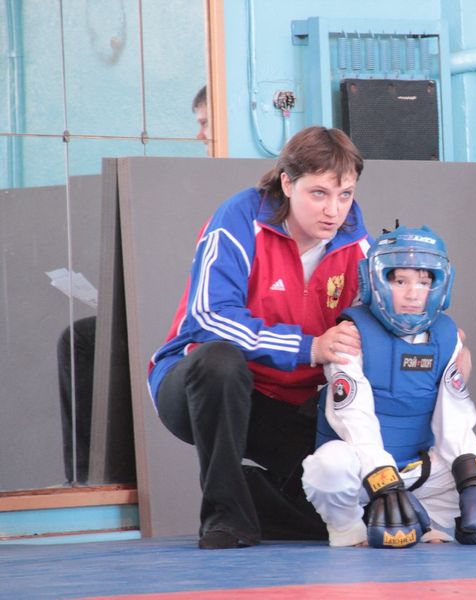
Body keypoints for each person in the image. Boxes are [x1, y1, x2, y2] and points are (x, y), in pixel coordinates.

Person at [149, 125, 375, 549]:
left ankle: (252, 496)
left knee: (352, 509)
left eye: (345, 195)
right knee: (220, 360)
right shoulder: (239, 217)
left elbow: (383, 325)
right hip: (203, 386)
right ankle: (227, 519)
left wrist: (444, 343)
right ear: (287, 183)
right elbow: (208, 317)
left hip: (290, 404)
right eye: (319, 194)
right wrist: (308, 347)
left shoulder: (357, 244)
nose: (334, 210)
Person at [301, 225, 476, 548]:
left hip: (418, 471)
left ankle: (428, 520)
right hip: (363, 475)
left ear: (440, 286)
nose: (413, 294)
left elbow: (454, 417)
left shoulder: (445, 336)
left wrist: (471, 480)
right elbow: (355, 418)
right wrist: (383, 481)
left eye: (424, 282)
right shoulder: (352, 332)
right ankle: (350, 529)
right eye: (400, 281)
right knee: (327, 467)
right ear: (375, 282)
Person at [57, 85, 210, 484]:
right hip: (167, 310)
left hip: (198, 327)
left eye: (206, 124)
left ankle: (120, 479)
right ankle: (88, 478)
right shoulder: (182, 183)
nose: (200, 135)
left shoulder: (235, 198)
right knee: (81, 339)